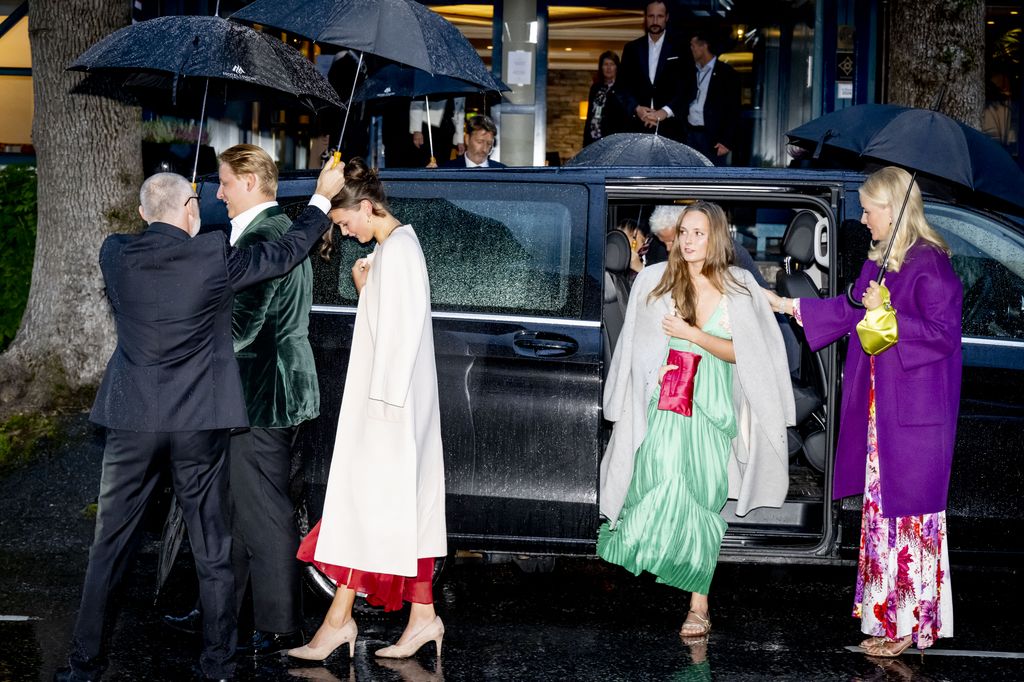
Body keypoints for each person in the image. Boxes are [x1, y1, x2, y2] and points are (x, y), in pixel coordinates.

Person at [56, 162, 346, 682]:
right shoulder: (212, 255)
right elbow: (281, 254)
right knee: (212, 544)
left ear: (144, 213)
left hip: (133, 420)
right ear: (191, 211)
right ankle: (216, 664)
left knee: (109, 546)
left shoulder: (114, 253)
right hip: (198, 419)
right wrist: (320, 202)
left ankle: (83, 665)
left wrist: (178, 217)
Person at [763, 167, 962, 657]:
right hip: (882, 412)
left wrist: (889, 315)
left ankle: (908, 625)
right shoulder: (881, 262)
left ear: (893, 209)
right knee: (881, 517)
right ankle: (885, 617)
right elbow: (852, 311)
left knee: (910, 519)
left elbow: (943, 335)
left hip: (915, 419)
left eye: (870, 209)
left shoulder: (930, 263)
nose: (864, 218)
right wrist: (788, 306)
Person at [599, 201, 794, 637]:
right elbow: (636, 347)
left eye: (698, 233)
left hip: (713, 403)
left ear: (717, 237)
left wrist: (693, 336)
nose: (688, 241)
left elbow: (745, 353)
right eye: (684, 232)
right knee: (663, 479)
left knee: (704, 496)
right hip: (667, 401)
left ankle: (698, 604)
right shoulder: (654, 279)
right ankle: (667, 559)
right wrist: (656, 368)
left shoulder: (739, 286)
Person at [288, 157, 447, 663]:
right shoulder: (399, 248)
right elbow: (396, 326)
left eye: (344, 221)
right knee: (403, 516)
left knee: (366, 512)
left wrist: (382, 411)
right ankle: (420, 616)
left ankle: (339, 623)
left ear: (367, 206)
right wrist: (366, 292)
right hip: (397, 406)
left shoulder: (397, 251)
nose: (345, 231)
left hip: (388, 410)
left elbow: (396, 341)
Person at [216, 144, 320, 656]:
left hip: (261, 393)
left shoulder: (262, 235)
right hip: (271, 387)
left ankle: (280, 622)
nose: (218, 193)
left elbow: (240, 328)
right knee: (239, 505)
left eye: (226, 184)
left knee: (265, 511)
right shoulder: (279, 230)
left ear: (251, 182)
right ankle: (224, 609)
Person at [617, 1, 691, 142]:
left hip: (671, 127)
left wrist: (665, 112)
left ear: (667, 17)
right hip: (637, 126)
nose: (655, 21)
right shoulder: (631, 49)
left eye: (660, 16)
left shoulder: (681, 48)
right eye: (651, 16)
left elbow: (689, 87)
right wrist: (637, 109)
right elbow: (622, 86)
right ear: (645, 18)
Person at [684, 31, 741, 166]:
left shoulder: (726, 73)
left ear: (703, 46)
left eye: (693, 46)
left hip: (712, 138)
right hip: (690, 134)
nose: (691, 49)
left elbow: (733, 110)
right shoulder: (689, 71)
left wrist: (727, 142)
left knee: (711, 176)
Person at [584, 51, 629, 147]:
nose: (608, 68)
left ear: (617, 67)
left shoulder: (623, 88)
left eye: (612, 64)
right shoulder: (595, 87)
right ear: (601, 67)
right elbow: (589, 116)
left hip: (612, 139)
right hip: (593, 138)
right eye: (605, 64)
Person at [442, 114, 506, 168]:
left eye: (489, 143)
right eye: (479, 142)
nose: (484, 149)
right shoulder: (447, 169)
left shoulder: (503, 172)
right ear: (467, 139)